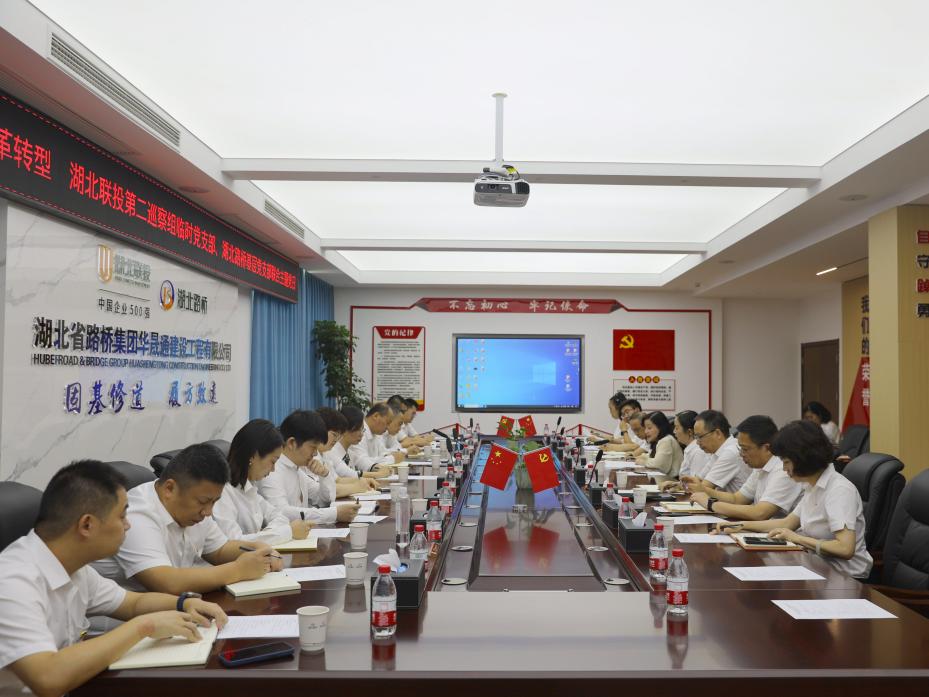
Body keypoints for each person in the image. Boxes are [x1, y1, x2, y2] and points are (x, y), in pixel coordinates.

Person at [0, 461, 228, 697]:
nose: (128, 525)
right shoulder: (13, 582)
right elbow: (48, 678)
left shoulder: (76, 570)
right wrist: (145, 627)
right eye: (121, 516)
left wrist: (184, 603)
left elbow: (132, 603)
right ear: (87, 525)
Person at [95, 444, 280, 594]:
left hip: (172, 609)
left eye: (214, 502)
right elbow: (167, 582)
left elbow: (219, 550)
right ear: (170, 489)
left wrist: (259, 549)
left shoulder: (197, 508)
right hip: (117, 620)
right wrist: (239, 570)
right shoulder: (136, 515)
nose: (208, 512)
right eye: (203, 502)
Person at [716, 420, 872, 579]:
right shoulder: (812, 485)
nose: (784, 469)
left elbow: (845, 548)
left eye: (786, 462)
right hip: (817, 567)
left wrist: (797, 538)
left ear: (804, 458)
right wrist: (739, 526)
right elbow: (786, 523)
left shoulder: (838, 490)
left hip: (845, 577)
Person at [212, 419, 313, 544]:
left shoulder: (248, 487)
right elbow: (234, 542)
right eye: (273, 461)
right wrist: (287, 532)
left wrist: (269, 535)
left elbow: (279, 516)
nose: (273, 469)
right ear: (253, 456)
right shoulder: (222, 492)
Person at [258, 410, 360, 524]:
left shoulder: (296, 469)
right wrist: (334, 514)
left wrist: (324, 475)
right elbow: (282, 512)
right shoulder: (271, 471)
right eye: (313, 447)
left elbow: (324, 500)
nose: (315, 454)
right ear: (292, 443)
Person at [689, 415, 801, 520]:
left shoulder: (783, 470)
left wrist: (711, 504)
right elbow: (737, 499)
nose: (741, 454)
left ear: (767, 448)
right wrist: (703, 490)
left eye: (745, 449)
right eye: (740, 448)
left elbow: (760, 513)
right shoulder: (760, 467)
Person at [314, 407, 376, 503]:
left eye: (339, 435)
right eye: (334, 434)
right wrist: (357, 486)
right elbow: (327, 491)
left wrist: (362, 481)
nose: (337, 439)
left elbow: (337, 480)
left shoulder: (325, 453)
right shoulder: (314, 456)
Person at [680, 410, 750, 494]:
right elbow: (700, 480)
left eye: (700, 437)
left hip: (737, 502)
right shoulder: (718, 451)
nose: (697, 442)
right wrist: (677, 485)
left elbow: (702, 488)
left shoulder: (730, 452)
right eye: (696, 437)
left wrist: (687, 486)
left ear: (718, 433)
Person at [348, 402, 405, 472]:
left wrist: (393, 455)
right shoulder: (358, 432)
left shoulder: (375, 433)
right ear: (376, 416)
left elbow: (383, 453)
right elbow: (363, 463)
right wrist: (392, 458)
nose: (388, 427)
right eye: (387, 423)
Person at [635, 411, 683, 481]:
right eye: (645, 428)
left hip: (672, 481)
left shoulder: (666, 440)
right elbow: (653, 457)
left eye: (649, 428)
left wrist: (642, 462)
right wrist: (643, 457)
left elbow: (660, 466)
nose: (646, 431)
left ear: (660, 427)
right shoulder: (659, 440)